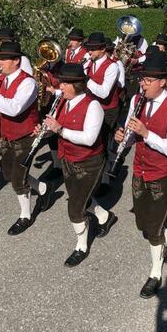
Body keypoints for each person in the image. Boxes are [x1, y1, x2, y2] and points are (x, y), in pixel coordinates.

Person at [115, 51, 167, 299]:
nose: (143, 83)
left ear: (163, 82)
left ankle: (155, 273)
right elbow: (131, 131)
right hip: (140, 168)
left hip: (163, 173)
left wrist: (146, 134)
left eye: (148, 79)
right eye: (142, 79)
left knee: (153, 228)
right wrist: (125, 138)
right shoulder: (137, 101)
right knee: (143, 223)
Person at [40, 63, 117, 266]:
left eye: (65, 83)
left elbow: (90, 139)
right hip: (68, 158)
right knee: (78, 197)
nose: (61, 86)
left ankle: (81, 247)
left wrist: (59, 130)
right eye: (61, 82)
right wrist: (46, 131)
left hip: (89, 163)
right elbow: (57, 126)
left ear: (78, 85)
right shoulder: (64, 101)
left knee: (75, 208)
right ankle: (104, 216)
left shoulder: (93, 106)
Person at [0, 41, 47, 235]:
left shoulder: (28, 82)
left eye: (4, 59)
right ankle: (42, 188)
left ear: (16, 61)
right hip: (8, 134)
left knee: (16, 179)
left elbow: (13, 109)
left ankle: (25, 215)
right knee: (8, 173)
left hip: (25, 135)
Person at [84, 32, 121, 195]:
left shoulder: (112, 66)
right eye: (89, 48)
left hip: (108, 110)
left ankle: (105, 180)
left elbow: (105, 92)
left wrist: (86, 80)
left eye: (92, 49)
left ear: (102, 49)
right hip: (92, 108)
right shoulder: (90, 63)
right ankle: (97, 174)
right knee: (93, 143)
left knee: (104, 144)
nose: (89, 51)